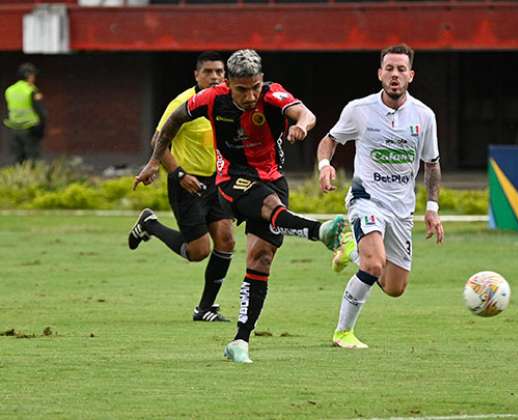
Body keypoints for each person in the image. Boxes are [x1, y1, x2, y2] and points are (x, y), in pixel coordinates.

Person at [133, 49, 346, 364]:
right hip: (231, 179)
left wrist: (301, 125)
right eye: (242, 89)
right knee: (263, 209)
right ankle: (321, 231)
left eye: (255, 87)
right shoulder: (209, 99)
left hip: (273, 178)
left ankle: (240, 342)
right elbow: (171, 124)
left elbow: (306, 114)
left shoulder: (273, 93)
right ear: (229, 84)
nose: (250, 96)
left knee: (260, 259)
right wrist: (155, 162)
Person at [316, 43, 445, 350]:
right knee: (374, 265)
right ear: (380, 74)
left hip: (401, 208)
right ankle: (342, 333)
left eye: (401, 69)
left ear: (411, 75)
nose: (395, 75)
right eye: (389, 69)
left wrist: (432, 207)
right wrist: (325, 166)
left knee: (394, 287)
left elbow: (432, 163)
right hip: (366, 199)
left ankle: (349, 248)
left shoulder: (424, 116)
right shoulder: (359, 110)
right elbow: (329, 140)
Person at [128, 51, 235, 322]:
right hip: (187, 183)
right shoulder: (183, 102)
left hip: (218, 183)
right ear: (196, 75)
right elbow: (159, 141)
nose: (215, 77)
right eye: (208, 72)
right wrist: (178, 174)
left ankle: (206, 308)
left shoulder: (230, 100)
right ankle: (150, 224)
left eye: (219, 72)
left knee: (226, 239)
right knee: (198, 252)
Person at [4, 63, 47, 164]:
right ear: (29, 76)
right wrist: (41, 130)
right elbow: (40, 111)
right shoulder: (30, 90)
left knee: (18, 159)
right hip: (30, 128)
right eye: (33, 75)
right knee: (33, 159)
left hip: (14, 128)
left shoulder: (10, 90)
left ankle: (18, 179)